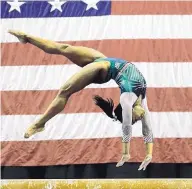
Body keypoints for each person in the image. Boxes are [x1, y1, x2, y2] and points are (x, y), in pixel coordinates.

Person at [8, 30, 153, 170]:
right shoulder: (142, 101)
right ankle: (27, 38)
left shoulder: (126, 99)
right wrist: (148, 155)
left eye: (134, 120)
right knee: (64, 48)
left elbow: (127, 127)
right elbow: (147, 130)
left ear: (127, 111)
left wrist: (126, 153)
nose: (138, 119)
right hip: (104, 60)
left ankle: (39, 124)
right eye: (135, 120)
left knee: (65, 91)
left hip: (102, 70)